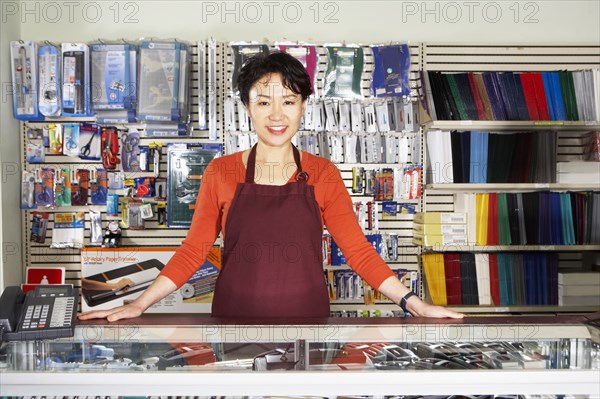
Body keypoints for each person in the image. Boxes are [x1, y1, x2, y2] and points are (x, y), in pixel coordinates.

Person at [79, 52, 464, 322]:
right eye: (263, 102)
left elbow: (358, 251)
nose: (276, 115)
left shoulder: (323, 173)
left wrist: (414, 303)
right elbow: (194, 250)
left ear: (302, 107)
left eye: (289, 101)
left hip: (308, 322)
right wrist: (139, 305)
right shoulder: (221, 172)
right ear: (248, 107)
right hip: (233, 321)